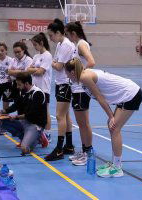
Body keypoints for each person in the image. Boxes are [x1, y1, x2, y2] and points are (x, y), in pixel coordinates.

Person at [65, 58, 142, 177]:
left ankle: (117, 168)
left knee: (114, 127)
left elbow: (100, 97)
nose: (68, 78)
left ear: (72, 73)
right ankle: (115, 163)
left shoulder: (84, 77)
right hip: (125, 94)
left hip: (131, 94)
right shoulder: (83, 75)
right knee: (112, 126)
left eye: (68, 75)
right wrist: (111, 117)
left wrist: (111, 116)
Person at [64, 21, 96, 166]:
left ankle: (88, 153)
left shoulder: (81, 44)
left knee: (84, 123)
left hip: (81, 90)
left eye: (67, 34)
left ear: (73, 34)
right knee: (81, 123)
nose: (67, 37)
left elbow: (91, 61)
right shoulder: (78, 45)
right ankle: (85, 151)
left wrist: (79, 74)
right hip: (77, 89)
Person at [0, 73, 47, 155]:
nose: (17, 87)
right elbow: (15, 106)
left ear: (26, 84)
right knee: (2, 121)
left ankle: (39, 137)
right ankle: (25, 137)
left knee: (24, 149)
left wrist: (16, 117)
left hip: (35, 124)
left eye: (19, 85)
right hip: (25, 122)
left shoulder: (37, 93)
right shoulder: (22, 92)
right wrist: (2, 111)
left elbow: (31, 114)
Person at [44, 18, 74, 161]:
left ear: (57, 32)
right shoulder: (60, 44)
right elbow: (55, 62)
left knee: (60, 116)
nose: (50, 38)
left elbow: (58, 66)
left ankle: (59, 149)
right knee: (65, 115)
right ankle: (69, 145)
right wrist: (54, 62)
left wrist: (53, 62)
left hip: (66, 83)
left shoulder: (66, 45)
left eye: (51, 35)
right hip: (60, 82)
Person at [27, 32, 52, 146]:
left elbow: (41, 72)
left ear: (41, 43)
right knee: (35, 111)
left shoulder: (47, 55)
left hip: (44, 88)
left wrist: (34, 69)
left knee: (45, 111)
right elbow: (29, 69)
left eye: (35, 45)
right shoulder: (36, 56)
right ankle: (38, 134)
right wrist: (35, 70)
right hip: (35, 88)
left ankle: (47, 133)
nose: (34, 47)